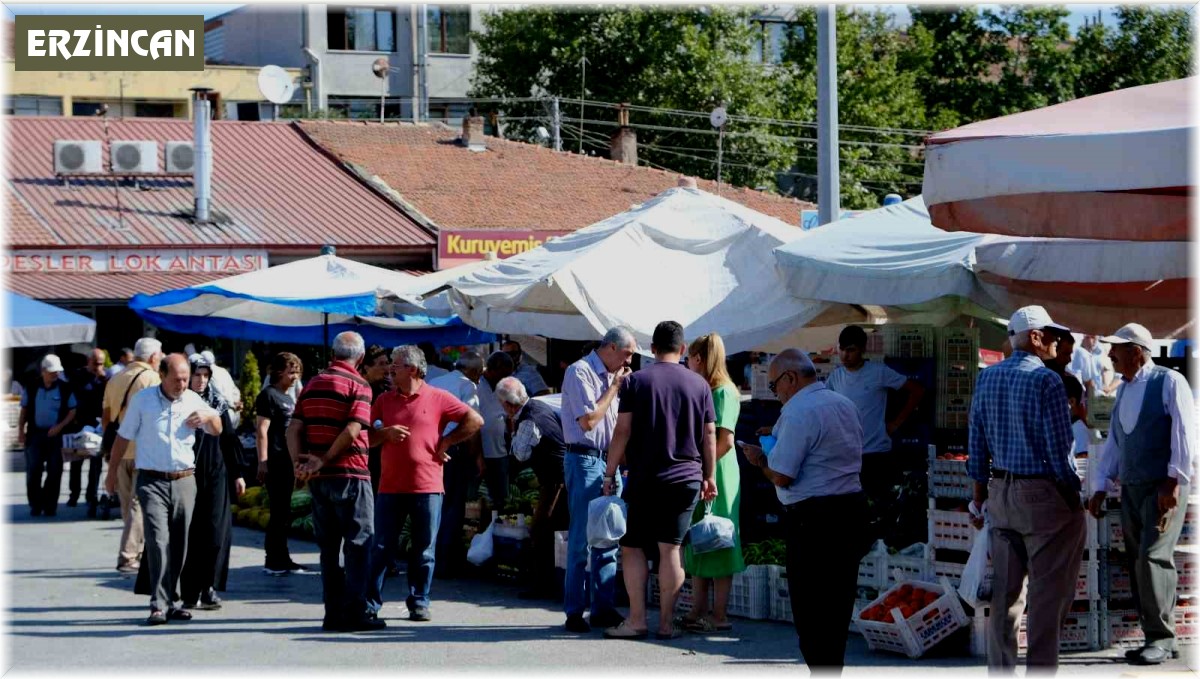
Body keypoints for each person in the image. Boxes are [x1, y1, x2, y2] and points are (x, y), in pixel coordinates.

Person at [967, 306, 1086, 670]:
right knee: (1047, 598)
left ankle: (1000, 671)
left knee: (1005, 596)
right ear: (1034, 337)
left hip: (1000, 491)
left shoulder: (987, 378)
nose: (1057, 342)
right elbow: (1058, 451)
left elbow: (976, 443)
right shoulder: (1046, 380)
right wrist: (1072, 494)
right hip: (1041, 493)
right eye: (1052, 336)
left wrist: (979, 496)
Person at [740, 349, 867, 671]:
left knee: (811, 611)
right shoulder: (844, 404)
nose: (776, 393)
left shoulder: (799, 411)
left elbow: (783, 475)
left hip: (813, 518)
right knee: (836, 606)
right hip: (849, 510)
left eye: (774, 386)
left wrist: (759, 461)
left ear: (790, 378)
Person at [1087, 323, 1196, 666]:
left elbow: (1184, 433)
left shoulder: (1169, 381)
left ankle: (1160, 637)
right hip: (1134, 486)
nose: (1109, 355)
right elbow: (1117, 442)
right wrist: (1101, 486)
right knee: (1140, 560)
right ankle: (1160, 636)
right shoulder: (1124, 390)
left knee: (1152, 557)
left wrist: (1174, 481)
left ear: (1136, 352)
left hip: (1162, 485)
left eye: (1115, 349)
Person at [602, 321, 718, 641]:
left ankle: (637, 620)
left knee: (633, 547)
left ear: (651, 349)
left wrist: (609, 473)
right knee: (671, 550)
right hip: (686, 479)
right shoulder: (699, 385)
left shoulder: (636, 382)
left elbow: (621, 432)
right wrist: (710, 476)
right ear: (682, 349)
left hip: (645, 479)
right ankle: (667, 623)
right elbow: (710, 435)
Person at [366, 345, 483, 622]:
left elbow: (475, 419)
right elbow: (367, 438)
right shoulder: (384, 400)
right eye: (391, 364)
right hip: (390, 487)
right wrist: (385, 434)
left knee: (424, 549)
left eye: (396, 364)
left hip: (427, 486)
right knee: (381, 548)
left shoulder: (438, 397)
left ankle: (419, 601)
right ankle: (369, 605)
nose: (391, 369)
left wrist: (447, 441)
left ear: (414, 369)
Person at [111, 354, 222, 625]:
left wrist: (209, 415)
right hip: (151, 481)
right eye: (177, 379)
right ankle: (158, 604)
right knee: (158, 540)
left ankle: (172, 600)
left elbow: (217, 430)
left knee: (180, 544)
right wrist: (112, 472)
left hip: (185, 480)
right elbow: (123, 436)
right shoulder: (143, 401)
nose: (182, 384)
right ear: (162, 375)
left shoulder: (194, 400)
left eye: (185, 379)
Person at [287, 332, 382, 633]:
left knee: (328, 550)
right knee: (358, 545)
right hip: (350, 473)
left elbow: (293, 429)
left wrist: (299, 465)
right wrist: (325, 459)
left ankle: (332, 613)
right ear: (361, 357)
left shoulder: (313, 384)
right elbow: (354, 430)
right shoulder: (359, 385)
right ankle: (354, 612)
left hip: (319, 479)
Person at [559, 326, 637, 633]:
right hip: (583, 458)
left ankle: (603, 608)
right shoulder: (580, 373)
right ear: (611, 348)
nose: (630, 361)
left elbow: (619, 427)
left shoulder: (613, 375)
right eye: (628, 354)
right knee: (581, 539)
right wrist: (614, 388)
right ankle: (575, 611)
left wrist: (619, 466)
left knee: (608, 537)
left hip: (608, 460)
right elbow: (590, 420)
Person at [825, 325, 924, 550]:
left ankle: (883, 554)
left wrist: (895, 423)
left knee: (881, 513)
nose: (845, 355)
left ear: (862, 350)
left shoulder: (878, 371)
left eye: (850, 350)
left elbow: (916, 390)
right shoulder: (835, 377)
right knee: (851, 513)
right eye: (841, 350)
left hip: (877, 456)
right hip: (847, 458)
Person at [680, 333, 743, 633]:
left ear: (700, 359)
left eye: (690, 357)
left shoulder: (723, 392)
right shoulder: (711, 389)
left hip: (718, 473)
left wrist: (706, 472)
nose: (688, 363)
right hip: (709, 470)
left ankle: (718, 615)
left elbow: (725, 441)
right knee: (701, 538)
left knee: (718, 538)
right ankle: (697, 610)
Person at [178, 353, 246, 610]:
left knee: (215, 533)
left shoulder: (216, 403)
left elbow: (228, 438)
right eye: (197, 374)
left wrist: (238, 473)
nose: (202, 380)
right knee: (189, 534)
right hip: (187, 473)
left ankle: (209, 586)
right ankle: (187, 590)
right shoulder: (179, 403)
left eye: (206, 376)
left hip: (216, 473)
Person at [495, 376, 568, 600]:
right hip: (561, 475)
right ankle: (553, 582)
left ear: (507, 404)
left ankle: (544, 585)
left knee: (541, 530)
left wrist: (512, 430)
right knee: (555, 530)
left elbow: (520, 454)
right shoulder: (538, 404)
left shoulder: (528, 420)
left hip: (556, 479)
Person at [102, 337, 164, 573]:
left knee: (128, 506)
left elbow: (106, 416)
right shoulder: (152, 379)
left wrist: (110, 449)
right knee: (138, 505)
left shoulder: (115, 378)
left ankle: (136, 552)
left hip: (120, 448)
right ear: (153, 357)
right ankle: (128, 556)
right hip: (143, 449)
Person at [429, 352, 486, 574]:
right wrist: (477, 457)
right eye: (479, 373)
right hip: (454, 449)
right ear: (472, 371)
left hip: (432, 447)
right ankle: (446, 561)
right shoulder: (468, 386)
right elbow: (473, 425)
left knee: (436, 502)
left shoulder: (435, 382)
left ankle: (431, 557)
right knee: (453, 504)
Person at [255, 352, 308, 575]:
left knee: (284, 511)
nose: (295, 376)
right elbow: (261, 430)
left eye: (297, 371)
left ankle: (283, 556)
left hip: (288, 461)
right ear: (278, 372)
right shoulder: (269, 395)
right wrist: (263, 461)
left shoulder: (290, 397)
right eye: (291, 371)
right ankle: (273, 559)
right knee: (278, 512)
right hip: (275, 460)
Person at [17, 354, 77, 518]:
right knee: (33, 471)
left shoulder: (65, 388)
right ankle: (35, 505)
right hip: (35, 435)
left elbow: (72, 411)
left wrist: (60, 426)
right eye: (52, 372)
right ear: (43, 371)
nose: (55, 374)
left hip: (55, 436)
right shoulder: (32, 387)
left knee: (55, 472)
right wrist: (20, 430)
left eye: (57, 371)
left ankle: (50, 505)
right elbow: (24, 410)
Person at [68, 348, 108, 514]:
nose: (98, 367)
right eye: (95, 363)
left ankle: (91, 496)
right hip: (79, 424)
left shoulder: (106, 379)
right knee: (76, 463)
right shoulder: (78, 376)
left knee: (95, 463)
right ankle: (74, 494)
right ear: (88, 361)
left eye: (101, 364)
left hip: (97, 425)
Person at [477, 351, 515, 510]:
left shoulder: (506, 387)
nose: (505, 379)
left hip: (500, 452)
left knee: (501, 500)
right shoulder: (475, 384)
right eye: (503, 374)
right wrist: (478, 456)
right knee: (476, 500)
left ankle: (500, 531)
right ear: (491, 370)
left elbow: (510, 416)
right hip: (479, 452)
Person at [359, 344, 392, 494]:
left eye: (387, 363)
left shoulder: (387, 388)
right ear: (366, 367)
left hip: (382, 450)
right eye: (381, 364)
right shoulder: (357, 388)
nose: (387, 368)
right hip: (361, 451)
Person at [201, 350, 242, 428]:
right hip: (234, 412)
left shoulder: (210, 375)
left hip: (224, 412)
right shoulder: (223, 371)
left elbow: (220, 394)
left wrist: (232, 405)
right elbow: (235, 390)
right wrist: (237, 401)